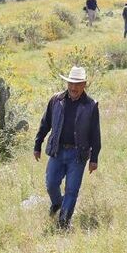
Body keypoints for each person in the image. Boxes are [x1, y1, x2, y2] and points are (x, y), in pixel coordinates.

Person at [34, 66, 101, 229]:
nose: (73, 87)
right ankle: (57, 204)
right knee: (51, 183)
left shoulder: (91, 105)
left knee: (72, 189)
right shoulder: (56, 100)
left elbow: (95, 134)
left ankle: (64, 221)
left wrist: (94, 159)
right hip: (57, 151)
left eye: (78, 84)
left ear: (84, 84)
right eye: (71, 83)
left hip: (78, 155)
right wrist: (37, 144)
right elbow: (45, 123)